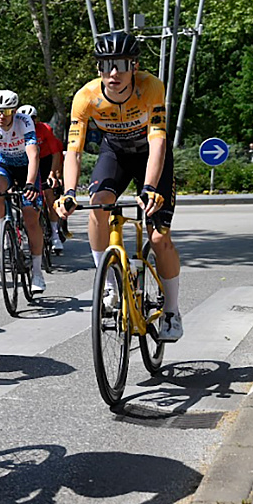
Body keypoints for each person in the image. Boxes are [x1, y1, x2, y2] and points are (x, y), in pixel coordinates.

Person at [57, 30, 183, 341]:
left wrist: (151, 187)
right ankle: (108, 283)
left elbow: (158, 143)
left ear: (134, 67)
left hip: (150, 156)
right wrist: (68, 192)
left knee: (158, 237)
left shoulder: (150, 87)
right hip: (114, 152)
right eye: (106, 65)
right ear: (98, 68)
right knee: (98, 206)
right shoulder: (86, 97)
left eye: (121, 64)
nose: (113, 72)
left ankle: (171, 310)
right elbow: (73, 150)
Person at [0, 90, 46, 294]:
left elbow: (33, 155)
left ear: (14, 111)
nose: (1, 115)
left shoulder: (24, 122)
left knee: (30, 218)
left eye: (6, 111)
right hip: (5, 165)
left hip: (26, 168)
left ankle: (37, 272)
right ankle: (2, 228)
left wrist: (31, 183)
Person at [19, 104, 65, 253]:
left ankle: (55, 234)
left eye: (32, 119)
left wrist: (53, 173)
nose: (29, 121)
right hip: (26, 163)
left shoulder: (44, 129)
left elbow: (56, 153)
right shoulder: (17, 129)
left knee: (49, 194)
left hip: (44, 161)